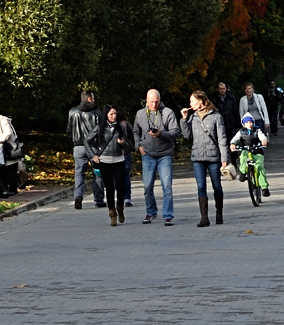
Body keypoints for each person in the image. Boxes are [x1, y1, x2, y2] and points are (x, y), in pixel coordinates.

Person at [133, 89, 181, 225]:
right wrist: (139, 146)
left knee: (167, 186)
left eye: (156, 102)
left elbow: (175, 132)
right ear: (146, 100)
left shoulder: (168, 113)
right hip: (147, 154)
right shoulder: (140, 114)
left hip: (164, 154)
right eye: (151, 102)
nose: (154, 104)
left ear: (159, 100)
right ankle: (150, 212)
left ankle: (168, 215)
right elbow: (136, 131)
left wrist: (161, 134)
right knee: (147, 186)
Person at [186, 93, 229, 227]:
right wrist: (183, 119)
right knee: (201, 187)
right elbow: (187, 135)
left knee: (216, 186)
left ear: (202, 101)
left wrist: (224, 157)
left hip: (213, 157)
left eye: (193, 101)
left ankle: (219, 213)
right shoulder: (192, 117)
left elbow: (222, 138)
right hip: (197, 157)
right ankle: (204, 217)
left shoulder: (216, 116)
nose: (191, 104)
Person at [89, 106, 134, 225]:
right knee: (109, 189)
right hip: (105, 160)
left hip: (119, 159)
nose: (114, 116)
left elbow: (129, 145)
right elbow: (86, 140)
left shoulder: (120, 127)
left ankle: (120, 207)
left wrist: (123, 143)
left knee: (120, 187)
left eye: (115, 114)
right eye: (111, 114)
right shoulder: (100, 128)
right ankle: (112, 213)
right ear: (106, 116)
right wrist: (93, 155)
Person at [68, 88, 104, 211]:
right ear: (89, 99)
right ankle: (99, 200)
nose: (94, 100)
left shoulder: (73, 112)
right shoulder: (97, 112)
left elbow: (69, 130)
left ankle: (78, 196)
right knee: (98, 173)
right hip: (92, 146)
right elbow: (100, 131)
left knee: (79, 173)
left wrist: (73, 143)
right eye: (93, 98)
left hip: (78, 146)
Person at [230, 115, 270, 206]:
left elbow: (262, 137)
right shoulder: (241, 132)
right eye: (247, 122)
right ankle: (243, 172)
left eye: (251, 122)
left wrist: (264, 141)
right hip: (246, 150)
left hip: (257, 151)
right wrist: (232, 144)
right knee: (243, 156)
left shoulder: (257, 130)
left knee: (259, 167)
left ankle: (264, 188)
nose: (249, 124)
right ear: (244, 124)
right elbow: (235, 139)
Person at [0, 110, 21, 197]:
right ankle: (6, 189)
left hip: (8, 149)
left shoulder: (3, 120)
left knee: (11, 170)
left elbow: (8, 132)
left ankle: (12, 189)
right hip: (3, 150)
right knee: (4, 169)